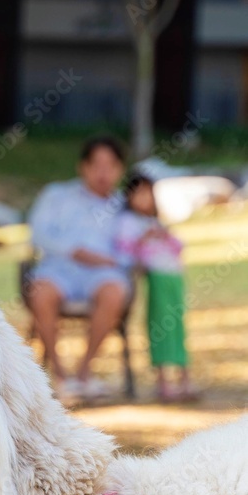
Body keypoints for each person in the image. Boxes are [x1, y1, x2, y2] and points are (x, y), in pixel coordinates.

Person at [28, 135, 130, 403]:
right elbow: (38, 234)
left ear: (120, 170)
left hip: (102, 273)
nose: (103, 173)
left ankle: (84, 372)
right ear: (83, 167)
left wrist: (109, 260)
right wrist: (74, 251)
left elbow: (134, 246)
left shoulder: (125, 206)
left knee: (114, 292)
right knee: (41, 292)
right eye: (96, 165)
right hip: (59, 268)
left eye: (110, 166)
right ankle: (61, 376)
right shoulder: (56, 195)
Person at [115, 173, 197, 402]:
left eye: (148, 193)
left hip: (173, 276)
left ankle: (184, 378)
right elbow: (125, 252)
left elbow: (178, 246)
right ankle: (164, 382)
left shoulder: (155, 222)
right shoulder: (128, 223)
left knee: (177, 325)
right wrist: (143, 240)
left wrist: (163, 235)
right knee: (160, 324)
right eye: (139, 193)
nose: (145, 199)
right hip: (155, 277)